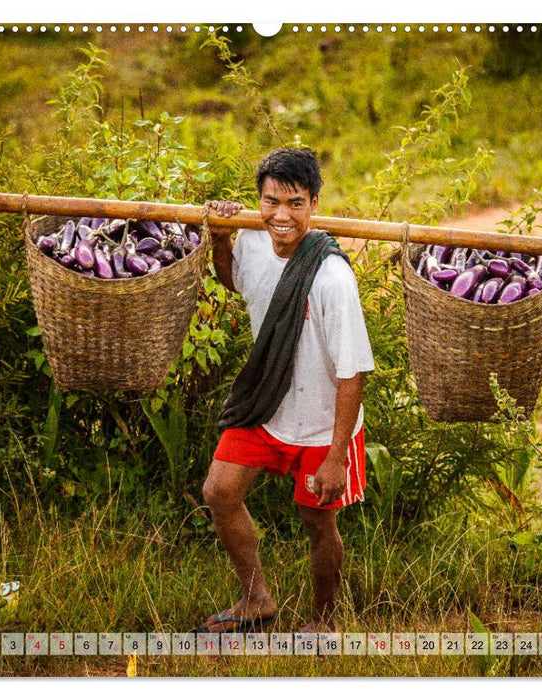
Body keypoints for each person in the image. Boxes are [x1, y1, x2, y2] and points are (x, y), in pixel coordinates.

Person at [197, 147, 375, 635]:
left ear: (314, 203)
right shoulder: (253, 241)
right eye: (271, 201)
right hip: (268, 403)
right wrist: (221, 238)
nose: (281, 216)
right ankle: (256, 599)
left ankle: (323, 622)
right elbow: (238, 282)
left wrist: (336, 456)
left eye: (294, 203)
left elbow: (353, 372)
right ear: (260, 199)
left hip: (323, 422)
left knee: (317, 523)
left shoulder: (333, 278)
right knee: (219, 491)